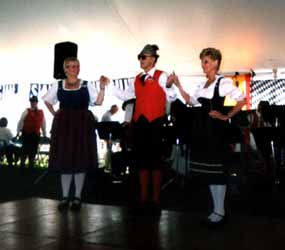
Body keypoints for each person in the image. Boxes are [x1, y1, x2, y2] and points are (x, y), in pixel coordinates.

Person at [171, 47, 246, 226]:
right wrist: (178, 84)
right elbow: (191, 101)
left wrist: (226, 116)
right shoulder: (202, 85)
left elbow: (242, 99)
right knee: (211, 172)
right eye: (202, 62)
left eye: (205, 61)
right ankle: (216, 209)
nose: (203, 65)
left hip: (216, 131)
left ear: (215, 63)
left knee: (218, 171)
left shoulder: (223, 82)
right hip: (203, 130)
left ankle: (220, 210)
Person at [111, 44, 177, 216]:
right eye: (139, 57)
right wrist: (109, 85)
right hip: (139, 124)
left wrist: (170, 86)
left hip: (155, 123)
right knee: (141, 161)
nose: (141, 60)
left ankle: (155, 198)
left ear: (153, 59)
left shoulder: (162, 76)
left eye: (144, 57)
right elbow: (126, 96)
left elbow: (172, 96)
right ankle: (142, 197)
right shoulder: (137, 78)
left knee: (155, 162)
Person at [43, 57, 109, 211]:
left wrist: (102, 88)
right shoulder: (58, 85)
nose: (74, 69)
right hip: (64, 125)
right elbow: (47, 100)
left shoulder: (86, 84)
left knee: (80, 160)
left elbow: (98, 102)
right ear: (65, 69)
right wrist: (55, 113)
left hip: (82, 124)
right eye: (70, 66)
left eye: (76, 66)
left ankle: (77, 197)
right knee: (65, 160)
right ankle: (65, 197)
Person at [17, 95, 47, 168]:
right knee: (25, 150)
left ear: (37, 103)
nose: (33, 103)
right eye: (32, 101)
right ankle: (22, 165)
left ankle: (31, 166)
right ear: (30, 103)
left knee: (33, 151)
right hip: (26, 134)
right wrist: (18, 132)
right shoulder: (26, 110)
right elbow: (20, 121)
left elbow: (43, 123)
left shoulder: (41, 112)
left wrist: (44, 134)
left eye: (34, 101)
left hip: (35, 135)